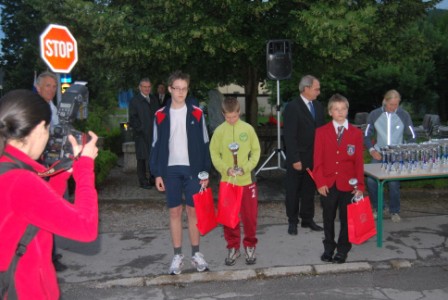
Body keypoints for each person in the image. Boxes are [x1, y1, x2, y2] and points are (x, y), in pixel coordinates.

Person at [0, 90, 98, 299]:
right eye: (47, 129)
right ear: (38, 129)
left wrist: (61, 174)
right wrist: (85, 169)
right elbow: (85, 227)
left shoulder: (7, 168)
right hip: (26, 290)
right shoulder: (20, 180)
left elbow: (33, 211)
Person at [150, 70, 211, 275]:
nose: (180, 92)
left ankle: (196, 253)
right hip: (170, 170)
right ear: (169, 89)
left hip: (193, 170)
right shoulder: (160, 115)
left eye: (184, 89)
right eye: (176, 88)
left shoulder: (197, 113)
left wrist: (205, 172)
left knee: (193, 211)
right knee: (175, 212)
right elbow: (156, 145)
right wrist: (157, 173)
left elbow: (205, 143)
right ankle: (177, 255)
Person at [313, 94, 365, 264]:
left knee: (346, 218)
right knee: (328, 217)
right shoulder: (321, 132)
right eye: (336, 109)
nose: (340, 112)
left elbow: (358, 162)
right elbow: (317, 160)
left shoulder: (356, 133)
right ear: (330, 112)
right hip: (328, 183)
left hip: (348, 184)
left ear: (347, 111)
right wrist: (320, 182)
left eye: (343, 109)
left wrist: (360, 185)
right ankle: (329, 247)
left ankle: (343, 249)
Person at [210, 97, 261, 266]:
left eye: (234, 116)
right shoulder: (219, 131)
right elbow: (214, 154)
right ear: (223, 113)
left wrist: (245, 167)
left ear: (239, 112)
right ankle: (233, 247)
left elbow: (256, 151)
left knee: (249, 217)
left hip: (247, 181)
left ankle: (250, 245)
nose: (231, 120)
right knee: (229, 218)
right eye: (228, 117)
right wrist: (226, 169)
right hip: (228, 181)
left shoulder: (248, 129)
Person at [364, 89, 416, 222]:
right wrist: (372, 151)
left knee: (393, 182)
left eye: (396, 104)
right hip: (379, 153)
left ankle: (394, 211)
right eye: (391, 104)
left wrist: (405, 151)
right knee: (371, 181)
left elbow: (412, 136)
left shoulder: (404, 115)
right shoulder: (374, 114)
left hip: (396, 154)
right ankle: (378, 208)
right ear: (385, 101)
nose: (394, 108)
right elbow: (366, 136)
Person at [283, 75, 325, 235]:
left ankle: (307, 219)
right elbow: (289, 136)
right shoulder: (293, 107)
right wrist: (294, 159)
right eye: (316, 89)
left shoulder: (318, 106)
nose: (318, 92)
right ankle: (292, 221)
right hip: (298, 157)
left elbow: (321, 132)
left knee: (309, 190)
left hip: (314, 157)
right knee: (293, 191)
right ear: (306, 88)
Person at [34, 70, 67, 272]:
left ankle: (49, 253)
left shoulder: (50, 107)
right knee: (44, 211)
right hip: (37, 165)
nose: (52, 90)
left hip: (49, 164)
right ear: (38, 87)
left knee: (49, 209)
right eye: (48, 86)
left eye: (54, 87)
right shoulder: (35, 108)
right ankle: (47, 257)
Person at [128, 78, 160, 189]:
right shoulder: (134, 101)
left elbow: (158, 115)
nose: (147, 89)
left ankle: (152, 178)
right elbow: (132, 118)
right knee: (141, 158)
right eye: (144, 87)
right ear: (140, 87)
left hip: (153, 134)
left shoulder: (154, 99)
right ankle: (142, 181)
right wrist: (141, 129)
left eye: (148, 87)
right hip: (141, 135)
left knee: (153, 156)